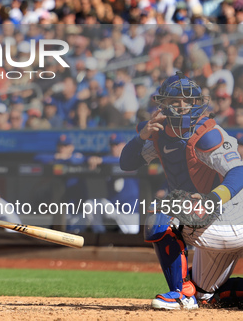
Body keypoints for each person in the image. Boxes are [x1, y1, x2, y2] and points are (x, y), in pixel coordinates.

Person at [119, 71, 243, 310]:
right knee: (206, 295)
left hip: (229, 217)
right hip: (213, 226)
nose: (182, 106)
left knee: (159, 216)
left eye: (188, 101)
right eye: (175, 101)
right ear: (163, 104)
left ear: (197, 104)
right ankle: (195, 294)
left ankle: (180, 294)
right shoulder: (159, 133)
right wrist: (140, 137)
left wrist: (212, 199)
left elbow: (238, 173)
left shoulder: (208, 135)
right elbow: (127, 163)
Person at [84, 134, 140, 234]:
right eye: (112, 145)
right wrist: (90, 159)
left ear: (124, 145)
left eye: (117, 145)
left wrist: (101, 160)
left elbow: (120, 161)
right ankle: (100, 235)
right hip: (114, 209)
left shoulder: (131, 157)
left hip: (131, 213)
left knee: (133, 237)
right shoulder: (106, 162)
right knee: (90, 204)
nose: (114, 148)